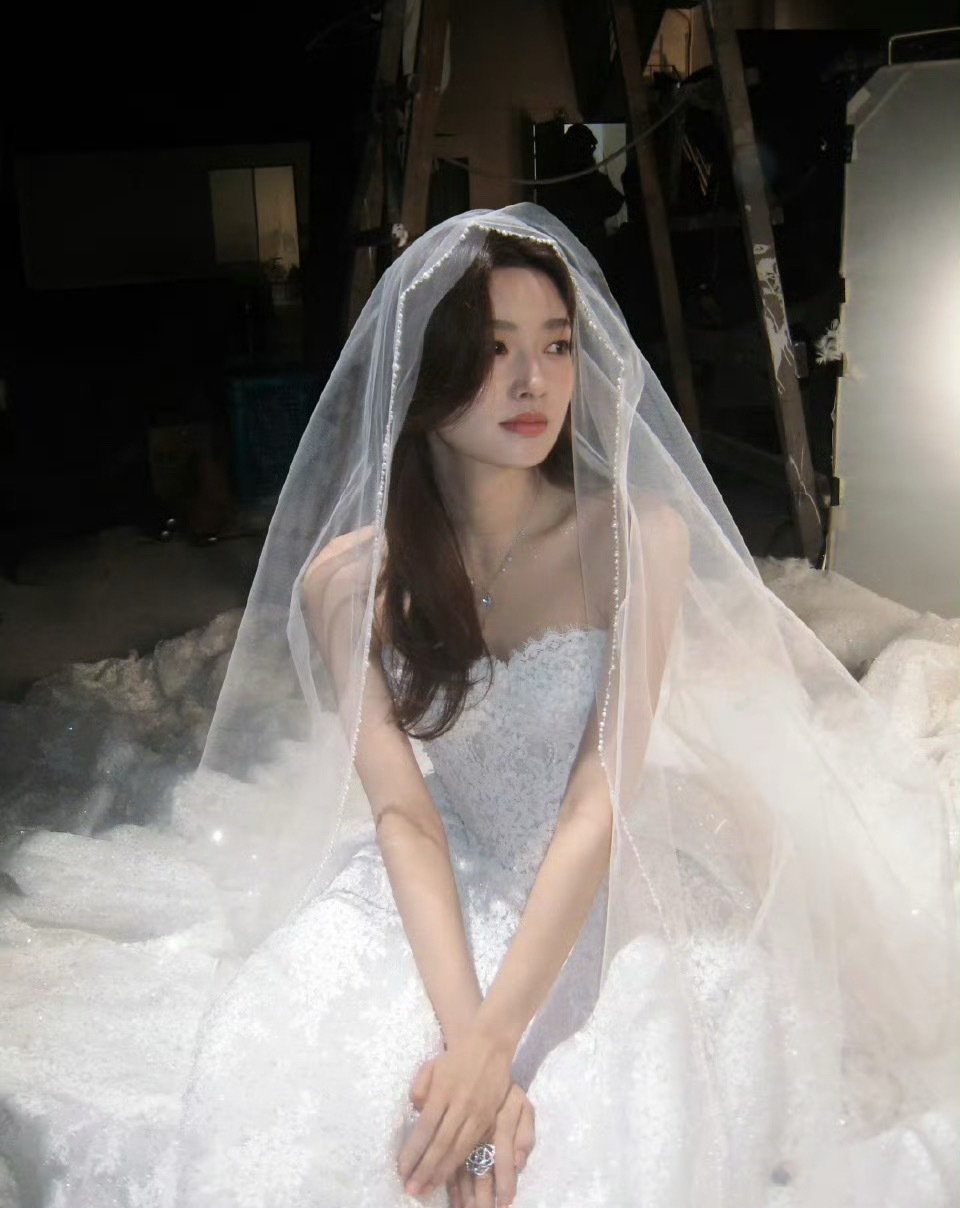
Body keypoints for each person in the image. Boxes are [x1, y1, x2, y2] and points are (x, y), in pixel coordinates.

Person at [2, 207, 958, 1208]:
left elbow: (597, 800)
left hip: (600, 875)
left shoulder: (635, 538)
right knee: (332, 1087)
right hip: (442, 872)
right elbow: (404, 814)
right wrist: (470, 1054)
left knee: (640, 1085)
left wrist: (497, 1045)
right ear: (425, 372)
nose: (534, 381)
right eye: (496, 350)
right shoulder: (350, 581)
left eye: (557, 345)